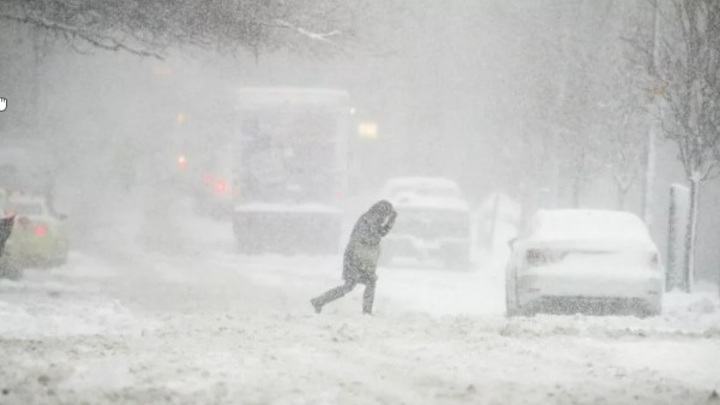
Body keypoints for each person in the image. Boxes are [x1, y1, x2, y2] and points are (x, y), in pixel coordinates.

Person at [311, 200, 397, 315]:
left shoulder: (370, 218)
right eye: (386, 214)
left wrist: (391, 220)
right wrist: (390, 221)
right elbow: (375, 235)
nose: (385, 217)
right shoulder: (368, 219)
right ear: (382, 211)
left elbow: (380, 233)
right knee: (357, 284)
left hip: (361, 258)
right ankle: (366, 312)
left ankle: (320, 301)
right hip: (355, 258)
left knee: (357, 284)